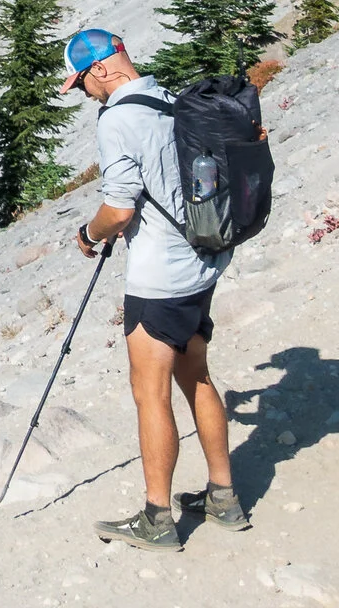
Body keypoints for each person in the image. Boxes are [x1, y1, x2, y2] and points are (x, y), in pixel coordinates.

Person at [62, 27, 247, 550]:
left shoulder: (120, 117)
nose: (83, 94)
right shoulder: (169, 99)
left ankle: (157, 518)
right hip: (202, 263)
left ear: (101, 69)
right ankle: (223, 497)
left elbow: (119, 208)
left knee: (150, 393)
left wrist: (87, 234)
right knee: (198, 376)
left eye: (81, 84)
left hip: (160, 276)